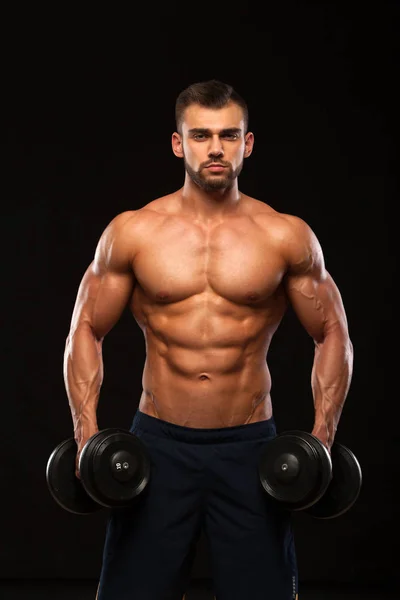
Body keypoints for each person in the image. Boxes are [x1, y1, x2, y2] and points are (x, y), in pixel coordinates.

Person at [63, 79, 353, 600]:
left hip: (249, 449)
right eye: (200, 135)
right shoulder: (135, 231)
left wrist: (322, 440)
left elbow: (333, 332)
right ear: (179, 143)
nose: (214, 148)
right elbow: (84, 327)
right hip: (157, 444)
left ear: (248, 144)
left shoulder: (284, 235)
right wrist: (87, 436)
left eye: (228, 135)